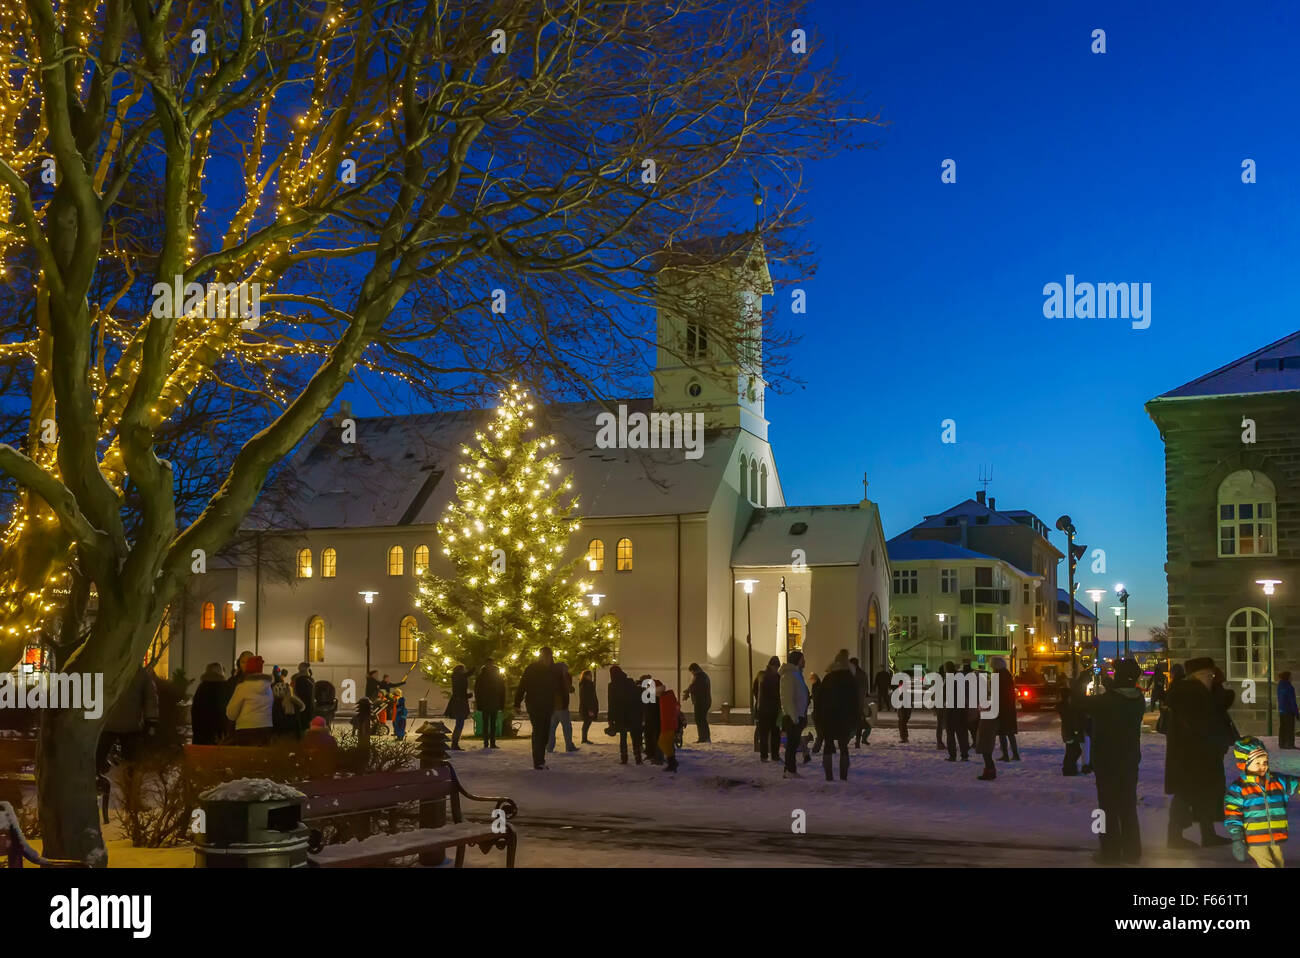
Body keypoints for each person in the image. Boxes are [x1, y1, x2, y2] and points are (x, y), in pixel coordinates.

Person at [1081, 658, 1146, 863]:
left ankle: (1109, 851)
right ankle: (1132, 851)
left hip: (1107, 760)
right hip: (1129, 759)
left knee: (1107, 807)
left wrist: (1083, 678)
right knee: (1127, 806)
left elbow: (1079, 703)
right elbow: (1117, 698)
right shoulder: (1137, 700)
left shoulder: (1108, 701)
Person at [1165, 656, 1234, 848]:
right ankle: (1175, 837)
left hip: (1198, 755)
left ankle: (1207, 834)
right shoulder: (1190, 694)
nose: (1211, 678)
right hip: (1190, 756)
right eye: (1207, 674)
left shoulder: (1201, 692)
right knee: (1185, 795)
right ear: (1196, 675)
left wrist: (1217, 685)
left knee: (1202, 794)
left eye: (1212, 674)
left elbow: (1220, 705)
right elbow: (1202, 724)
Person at [1224, 736, 1300, 868]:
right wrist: (1237, 838)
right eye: (1257, 763)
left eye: (1265, 762)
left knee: (1278, 864)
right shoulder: (1239, 788)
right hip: (1254, 838)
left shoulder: (1277, 781)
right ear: (1244, 764)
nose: (1262, 767)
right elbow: (1232, 815)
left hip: (1276, 837)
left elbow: (1296, 784)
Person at [97, 665, 160, 771]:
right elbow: (150, 698)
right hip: (131, 725)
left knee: (99, 755)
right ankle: (129, 781)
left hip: (107, 723)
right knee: (131, 760)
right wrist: (151, 720)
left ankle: (98, 776)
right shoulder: (140, 673)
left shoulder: (106, 668)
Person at [514, 647, 561, 769]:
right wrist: (517, 702)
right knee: (538, 730)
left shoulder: (554, 669)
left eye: (548, 656)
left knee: (545, 732)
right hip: (534, 704)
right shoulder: (532, 668)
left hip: (548, 704)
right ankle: (538, 760)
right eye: (545, 656)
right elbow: (523, 685)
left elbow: (560, 686)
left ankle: (541, 758)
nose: (547, 659)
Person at [820, 650, 861, 781]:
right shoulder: (850, 679)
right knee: (843, 746)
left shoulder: (828, 678)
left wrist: (820, 717)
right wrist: (855, 718)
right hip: (844, 717)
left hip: (828, 716)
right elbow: (855, 701)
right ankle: (843, 776)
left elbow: (821, 699)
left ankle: (829, 776)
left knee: (827, 745)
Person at [225, 655, 274, 746]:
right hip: (266, 728)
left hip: (246, 730)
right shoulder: (268, 687)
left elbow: (231, 713)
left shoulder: (242, 687)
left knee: (246, 758)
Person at [778, 650, 810, 778]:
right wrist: (794, 717)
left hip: (797, 715)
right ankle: (790, 770)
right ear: (797, 660)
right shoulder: (790, 675)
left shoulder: (796, 674)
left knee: (793, 744)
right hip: (793, 717)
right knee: (791, 745)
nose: (805, 662)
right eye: (803, 659)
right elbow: (787, 698)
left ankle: (790, 769)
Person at [607, 665, 643, 764]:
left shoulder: (612, 685)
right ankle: (638, 758)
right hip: (632, 714)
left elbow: (611, 703)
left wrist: (610, 719)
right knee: (635, 737)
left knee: (623, 737)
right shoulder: (630, 682)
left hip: (620, 715)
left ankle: (624, 758)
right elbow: (637, 697)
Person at [191, 663, 228, 745]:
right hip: (218, 731)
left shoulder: (201, 687)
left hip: (201, 729)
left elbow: (195, 710)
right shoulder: (224, 687)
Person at [751, 656, 779, 762]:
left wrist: (758, 699)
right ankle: (774, 755)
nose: (777, 668)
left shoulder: (760, 675)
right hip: (772, 709)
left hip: (762, 709)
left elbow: (754, 689)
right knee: (774, 734)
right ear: (773, 665)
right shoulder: (777, 677)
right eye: (776, 666)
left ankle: (764, 756)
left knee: (764, 734)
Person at [548, 661, 578, 753]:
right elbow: (568, 688)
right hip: (562, 706)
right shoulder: (564, 676)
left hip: (553, 706)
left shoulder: (551, 677)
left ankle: (549, 746)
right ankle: (569, 746)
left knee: (551, 728)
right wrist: (571, 688)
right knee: (567, 728)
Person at [475, 659, 506, 749]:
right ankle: (489, 742)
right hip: (492, 702)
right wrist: (501, 703)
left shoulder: (482, 676)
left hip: (488, 702)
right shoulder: (497, 676)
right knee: (490, 723)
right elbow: (502, 691)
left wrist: (479, 703)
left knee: (488, 723)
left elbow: (477, 691)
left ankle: (488, 742)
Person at [943, 661, 969, 762]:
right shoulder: (960, 677)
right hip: (961, 708)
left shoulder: (949, 678)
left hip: (951, 709)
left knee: (950, 733)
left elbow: (945, 694)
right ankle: (964, 754)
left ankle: (953, 755)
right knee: (962, 733)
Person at [994, 658, 1019, 761]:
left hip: (1002, 709)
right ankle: (1015, 754)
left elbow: (997, 693)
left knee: (1002, 733)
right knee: (1010, 733)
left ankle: (1005, 755)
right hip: (1009, 708)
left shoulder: (999, 676)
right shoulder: (1007, 675)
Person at [683, 663, 712, 743]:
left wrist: (688, 691)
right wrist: (688, 691)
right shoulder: (702, 676)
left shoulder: (700, 677)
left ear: (695, 670)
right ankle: (705, 737)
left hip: (701, 702)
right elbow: (693, 686)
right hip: (703, 701)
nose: (692, 673)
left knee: (700, 719)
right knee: (702, 719)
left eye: (692, 671)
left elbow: (695, 687)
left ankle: (703, 738)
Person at [271, 674, 306, 740]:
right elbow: (303, 707)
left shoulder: (273, 705)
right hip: (293, 739)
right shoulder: (295, 703)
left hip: (279, 740)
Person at [445, 664, 471, 750]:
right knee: (459, 723)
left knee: (459, 723)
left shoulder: (456, 678)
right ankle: (455, 742)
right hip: (460, 703)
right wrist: (467, 696)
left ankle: (455, 742)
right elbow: (460, 692)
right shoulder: (460, 678)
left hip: (458, 702)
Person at [658, 682, 680, 772]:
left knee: (663, 743)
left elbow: (667, 713)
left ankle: (672, 762)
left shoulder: (665, 698)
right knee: (665, 743)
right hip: (669, 724)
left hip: (668, 725)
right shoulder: (667, 697)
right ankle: (672, 762)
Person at [640, 675, 663, 764]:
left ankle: (655, 756)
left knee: (653, 737)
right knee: (650, 736)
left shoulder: (651, 692)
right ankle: (652, 754)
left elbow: (649, 707)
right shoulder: (650, 691)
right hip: (652, 718)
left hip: (653, 718)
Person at [851, 657, 872, 745]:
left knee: (855, 724)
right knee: (860, 723)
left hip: (854, 702)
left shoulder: (852, 674)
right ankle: (859, 741)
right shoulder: (862, 674)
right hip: (860, 701)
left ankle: (852, 740)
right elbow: (866, 687)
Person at [578, 669, 600, 744]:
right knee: (587, 722)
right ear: (586, 676)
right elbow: (587, 697)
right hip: (587, 707)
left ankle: (584, 739)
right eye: (590, 675)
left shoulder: (584, 684)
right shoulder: (586, 684)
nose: (591, 676)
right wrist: (590, 709)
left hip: (586, 706)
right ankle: (584, 739)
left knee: (587, 722)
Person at [1279, 672, 1298, 750]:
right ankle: (1289, 743)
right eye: (1290, 676)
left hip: (1282, 710)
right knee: (1290, 728)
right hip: (1289, 710)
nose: (1292, 678)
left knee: (1283, 727)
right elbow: (1292, 701)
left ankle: (1282, 743)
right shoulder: (1289, 687)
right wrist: (1296, 712)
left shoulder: (1280, 686)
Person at [808, 673, 824, 754]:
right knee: (821, 731)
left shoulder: (816, 686)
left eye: (811, 678)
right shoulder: (818, 686)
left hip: (818, 712)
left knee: (820, 731)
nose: (810, 680)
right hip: (819, 711)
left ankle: (816, 748)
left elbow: (817, 698)